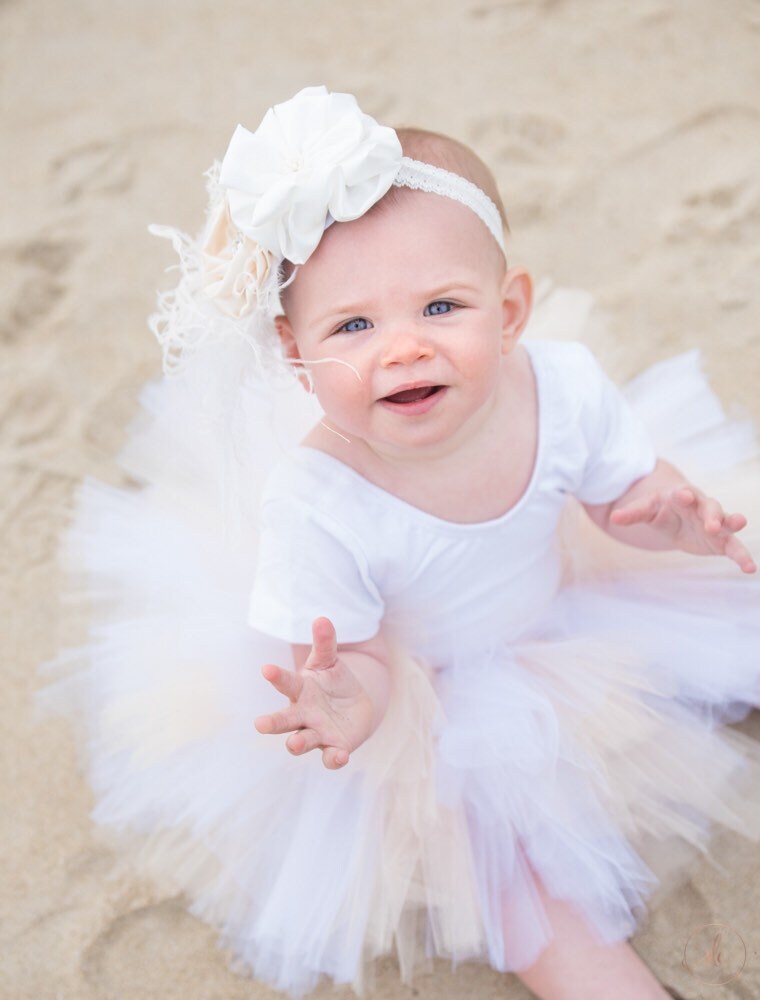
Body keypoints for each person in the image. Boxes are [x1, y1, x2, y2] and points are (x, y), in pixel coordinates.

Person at [40, 87, 760, 1000]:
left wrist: (664, 514)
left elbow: (619, 496)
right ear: (296, 357)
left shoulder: (562, 388)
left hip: (565, 600)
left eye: (441, 307)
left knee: (731, 594)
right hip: (442, 704)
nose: (402, 350)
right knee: (513, 872)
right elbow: (364, 650)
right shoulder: (317, 505)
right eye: (353, 325)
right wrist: (355, 701)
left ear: (509, 313)